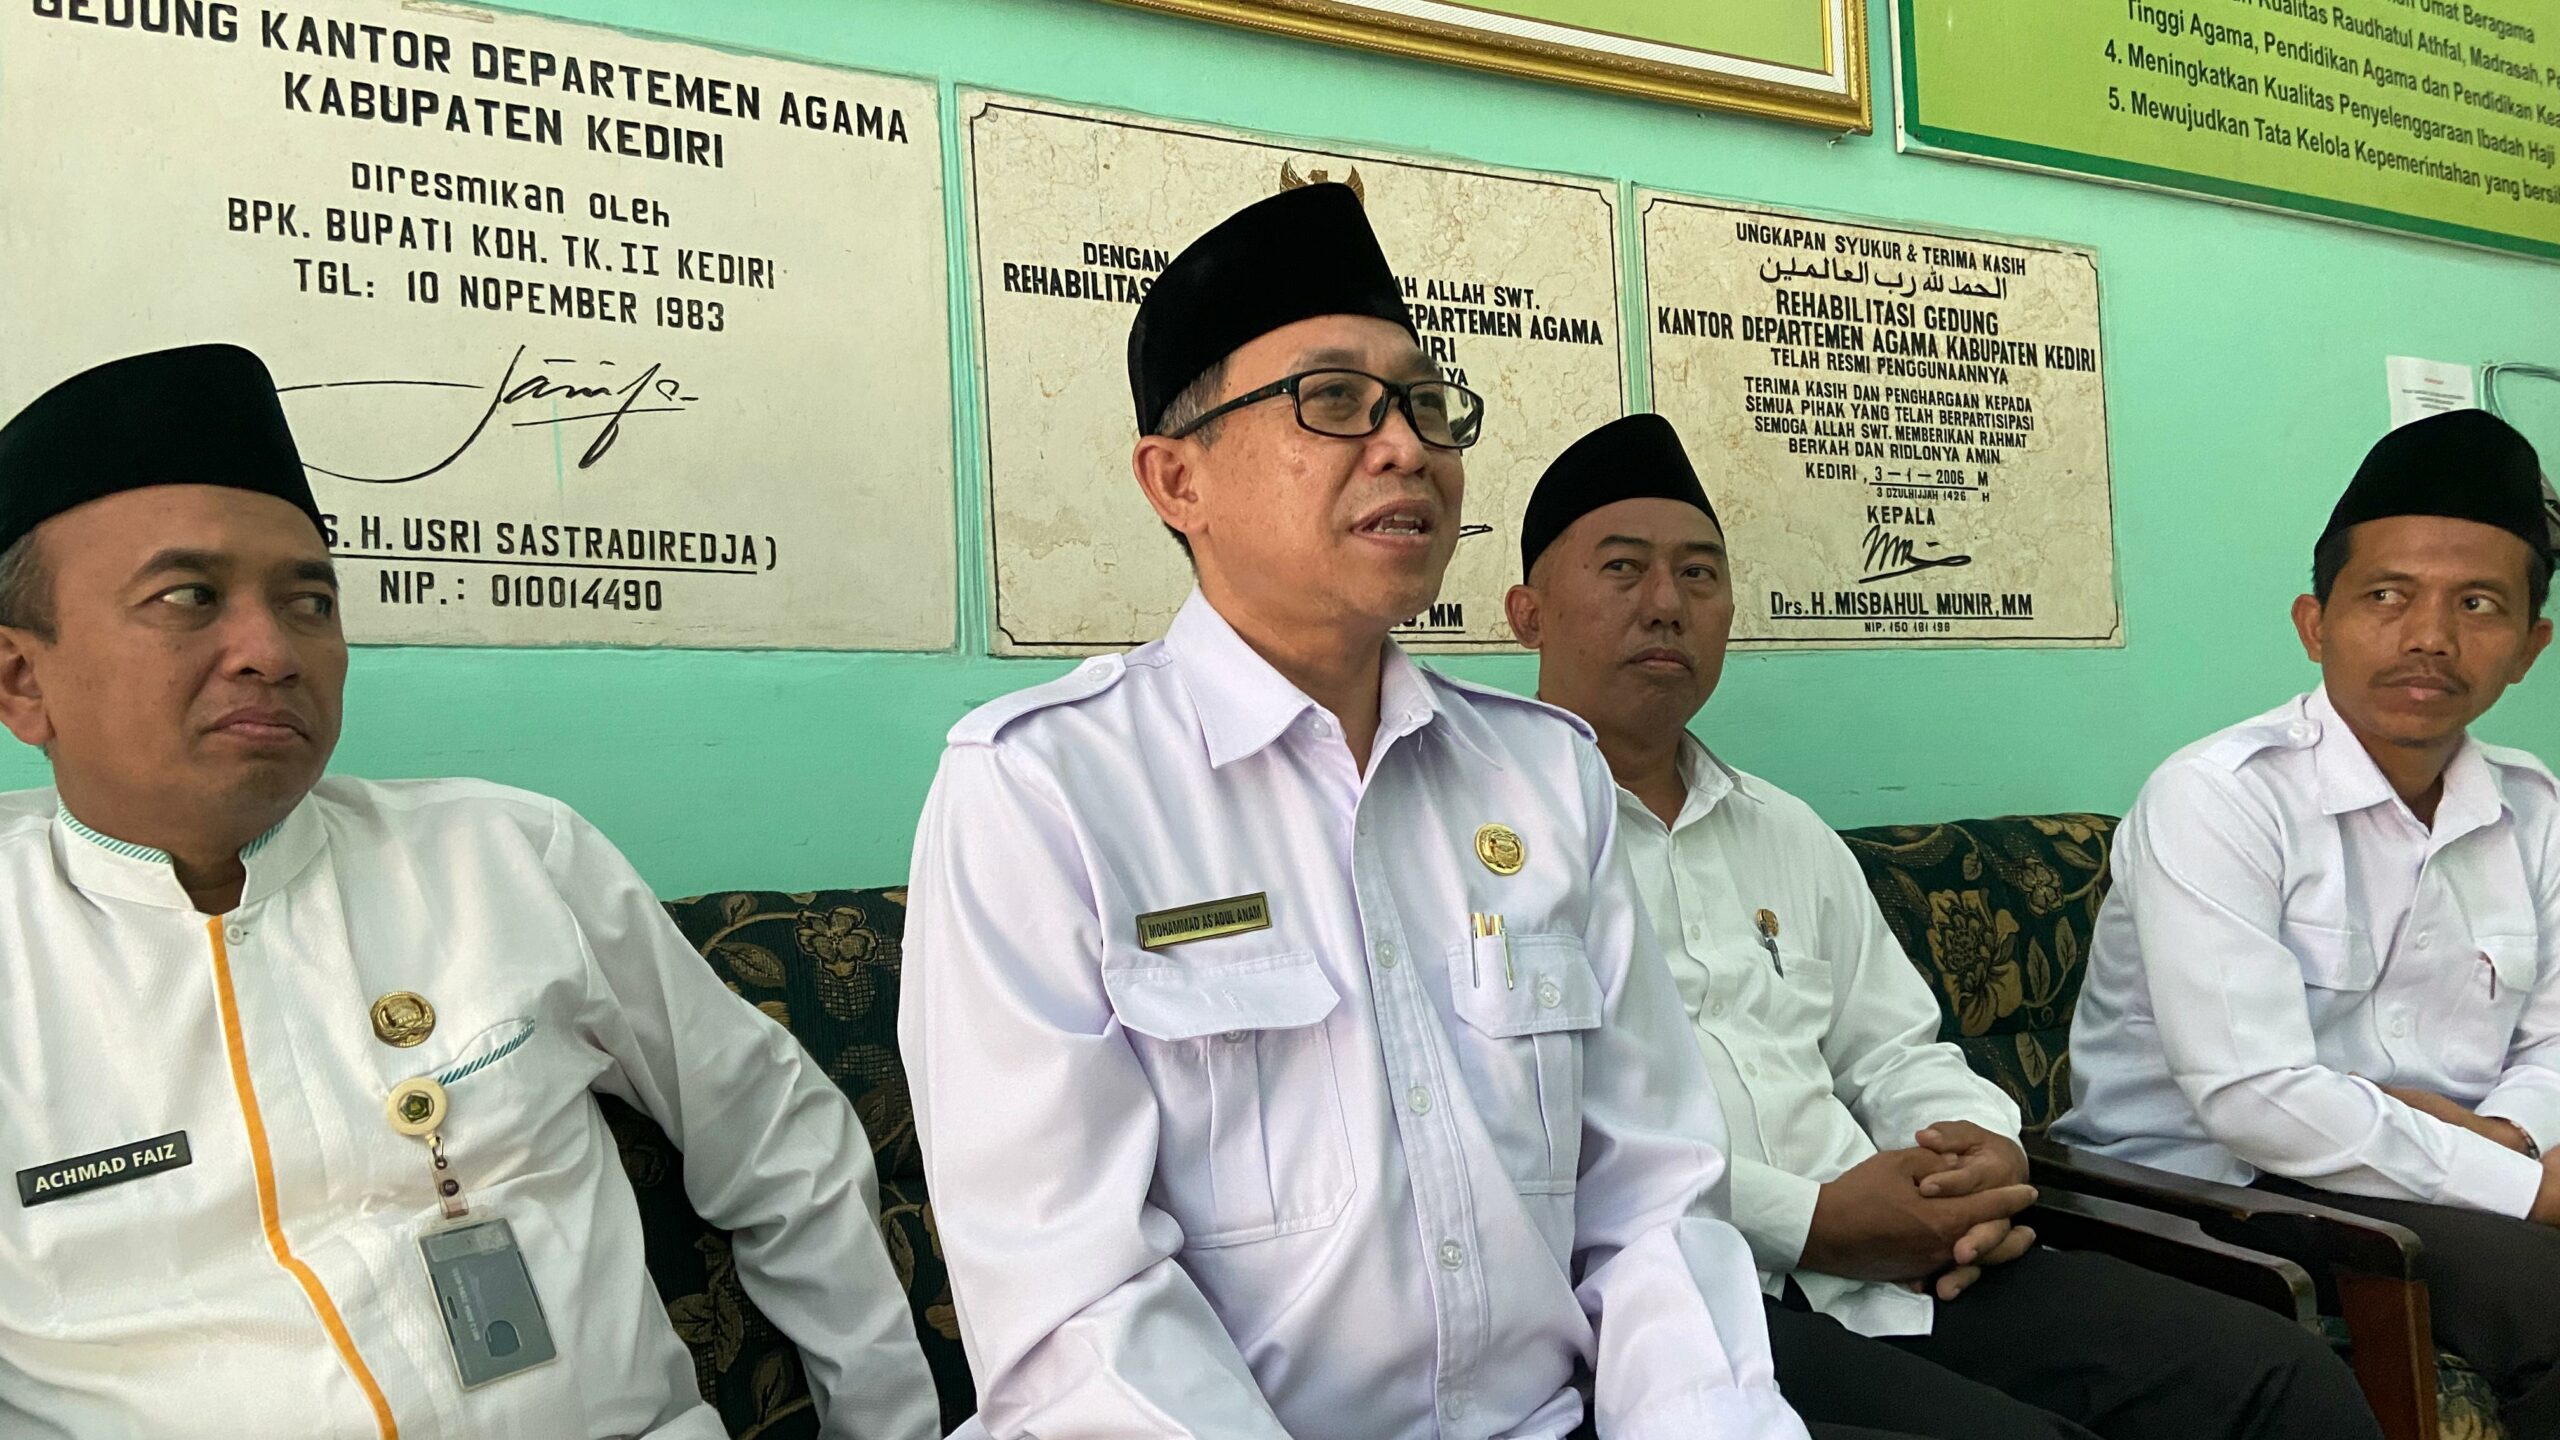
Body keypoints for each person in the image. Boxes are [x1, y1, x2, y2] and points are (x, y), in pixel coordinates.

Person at [900, 186, 1810, 1440]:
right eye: (1333, 401)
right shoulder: (1046, 789)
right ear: (1177, 481)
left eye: (1426, 405)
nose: (1406, 447)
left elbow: (1653, 1199)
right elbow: (1076, 1315)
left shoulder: (1545, 778)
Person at [0, 344, 939, 1439]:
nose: (271, 649)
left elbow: (775, 1133)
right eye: (187, 597)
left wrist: (887, 1425)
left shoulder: (499, 856)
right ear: (22, 679)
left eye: (310, 601)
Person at [1510, 413, 2385, 1440]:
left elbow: (1890, 1051)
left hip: (1903, 1267)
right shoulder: (1489, 842)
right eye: (1623, 569)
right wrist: (1815, 1219)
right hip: (1677, 1297)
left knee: (2269, 1375)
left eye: (1699, 575)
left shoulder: (1779, 830)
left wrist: (1975, 1155)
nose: (1666, 604)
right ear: (1527, 612)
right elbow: (1529, 1135)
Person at [2056, 407, 2560, 1435]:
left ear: (2527, 648)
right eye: (2386, 595)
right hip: (2204, 1193)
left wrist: (2511, 1138)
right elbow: (2252, 1097)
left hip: (2440, 1173)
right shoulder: (2217, 796)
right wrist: (2516, 1185)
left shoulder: (2536, 806)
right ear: (2313, 622)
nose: (2429, 636)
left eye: (2477, 604)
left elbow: (2553, 1037)